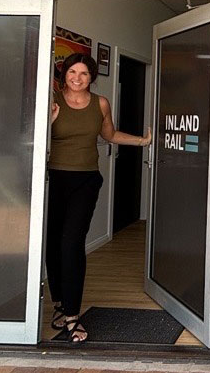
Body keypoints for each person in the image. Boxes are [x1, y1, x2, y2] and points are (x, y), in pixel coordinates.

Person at [47, 52, 151, 343]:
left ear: (91, 76)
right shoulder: (50, 99)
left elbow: (110, 135)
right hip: (53, 178)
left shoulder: (100, 103)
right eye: (72, 72)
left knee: (72, 242)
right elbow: (29, 135)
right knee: (53, 242)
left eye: (83, 74)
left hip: (86, 180)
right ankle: (58, 303)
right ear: (64, 74)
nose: (77, 78)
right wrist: (49, 121)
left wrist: (142, 141)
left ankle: (71, 314)